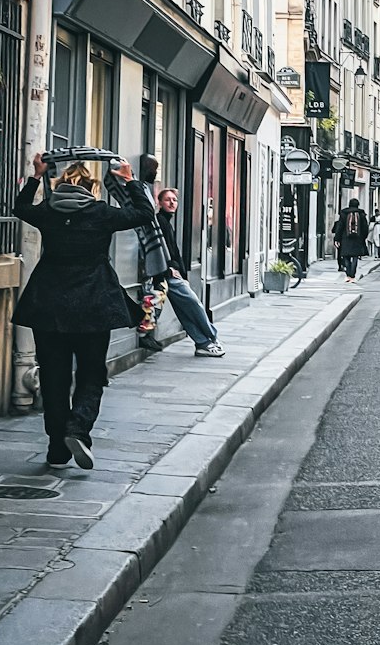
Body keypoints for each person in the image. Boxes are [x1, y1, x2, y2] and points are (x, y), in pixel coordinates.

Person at [13, 154, 152, 470]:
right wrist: (129, 180)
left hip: (48, 305)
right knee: (91, 373)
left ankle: (56, 450)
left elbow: (19, 209)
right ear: (92, 187)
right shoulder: (101, 213)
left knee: (53, 376)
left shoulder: (48, 212)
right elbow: (144, 214)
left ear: (59, 185)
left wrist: (36, 176)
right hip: (94, 304)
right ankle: (78, 427)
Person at [155, 189, 224, 357]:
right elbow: (160, 249)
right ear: (159, 203)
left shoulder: (166, 221)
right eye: (167, 200)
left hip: (171, 272)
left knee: (184, 310)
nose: (172, 203)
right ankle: (211, 337)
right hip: (168, 274)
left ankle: (202, 343)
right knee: (194, 305)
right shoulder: (160, 221)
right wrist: (170, 267)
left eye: (174, 200)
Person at [334, 197, 368, 282]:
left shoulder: (344, 213)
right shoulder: (361, 214)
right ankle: (353, 276)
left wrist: (337, 238)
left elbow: (340, 227)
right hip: (358, 238)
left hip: (346, 238)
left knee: (346, 257)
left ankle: (348, 275)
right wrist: (363, 237)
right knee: (355, 257)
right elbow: (365, 228)